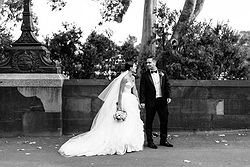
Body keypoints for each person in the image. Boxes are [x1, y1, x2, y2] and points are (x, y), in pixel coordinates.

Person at [58, 61, 144, 157]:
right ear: (130, 68)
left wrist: (138, 100)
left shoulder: (132, 77)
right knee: (121, 123)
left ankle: (129, 143)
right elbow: (120, 92)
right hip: (124, 99)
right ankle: (120, 143)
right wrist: (119, 105)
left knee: (131, 121)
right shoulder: (124, 78)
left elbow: (135, 89)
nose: (136, 67)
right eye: (135, 66)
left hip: (131, 100)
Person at [139, 56, 172, 149]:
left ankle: (163, 140)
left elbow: (167, 85)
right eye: (147, 63)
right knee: (149, 122)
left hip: (162, 100)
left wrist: (168, 96)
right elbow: (142, 89)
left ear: (154, 62)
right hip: (150, 101)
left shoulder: (163, 73)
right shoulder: (145, 75)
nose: (148, 64)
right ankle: (150, 141)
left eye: (149, 62)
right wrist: (142, 101)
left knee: (164, 120)